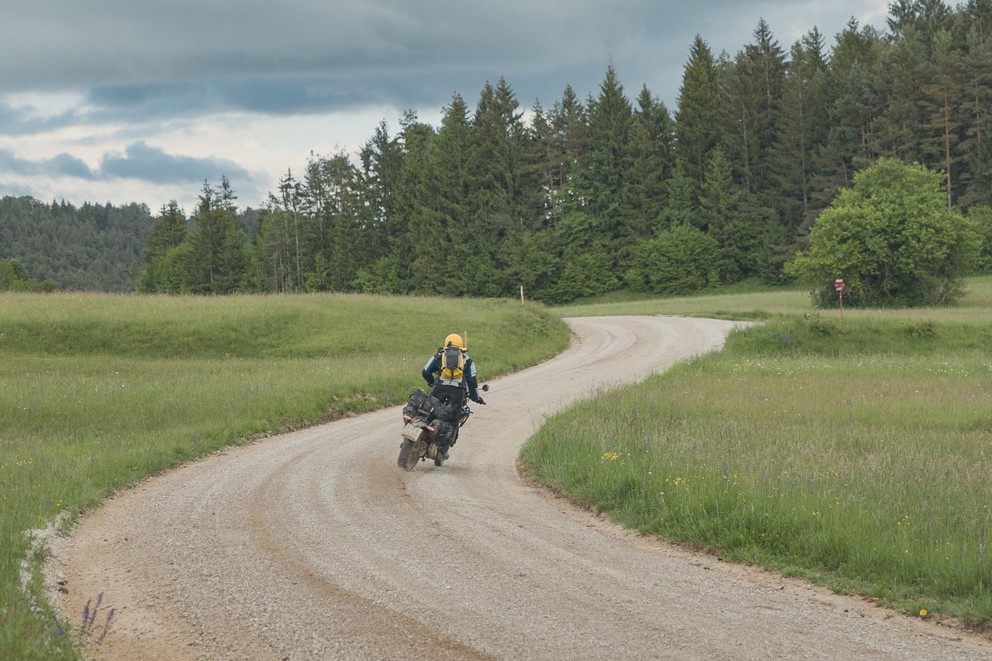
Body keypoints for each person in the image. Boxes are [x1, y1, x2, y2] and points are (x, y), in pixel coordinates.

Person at [421, 333, 485, 459]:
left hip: (439, 388)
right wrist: (476, 398)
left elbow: (425, 372)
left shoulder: (440, 355)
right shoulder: (467, 360)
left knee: (430, 411)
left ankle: (422, 434)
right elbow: (472, 382)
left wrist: (432, 383)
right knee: (453, 421)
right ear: (461, 346)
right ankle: (442, 451)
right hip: (458, 393)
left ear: (446, 343)